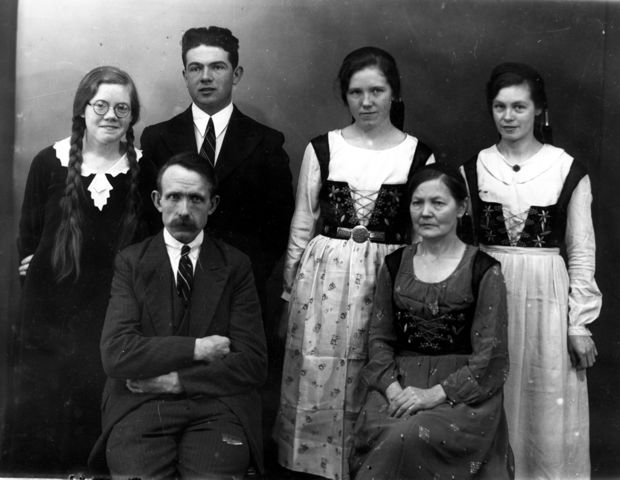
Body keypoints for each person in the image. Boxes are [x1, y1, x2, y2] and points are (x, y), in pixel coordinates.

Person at [275, 46, 434, 480]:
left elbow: (423, 232)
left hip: (387, 274)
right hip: (324, 276)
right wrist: (289, 290)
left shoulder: (417, 154)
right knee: (319, 366)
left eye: (376, 91)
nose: (366, 102)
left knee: (376, 366)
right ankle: (316, 467)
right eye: (356, 92)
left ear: (393, 93)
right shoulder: (323, 148)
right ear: (345, 96)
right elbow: (303, 221)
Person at [1, 66, 158, 474]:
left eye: (122, 108)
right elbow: (29, 237)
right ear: (82, 109)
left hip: (115, 310)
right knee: (47, 413)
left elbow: (153, 244)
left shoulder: (145, 168)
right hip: (52, 311)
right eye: (100, 105)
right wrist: (39, 264)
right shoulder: (49, 162)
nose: (110, 116)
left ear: (133, 115)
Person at [87, 152, 268, 478]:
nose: (184, 210)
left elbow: (253, 362)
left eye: (196, 199)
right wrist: (197, 349)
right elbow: (116, 353)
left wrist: (178, 382)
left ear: (212, 204)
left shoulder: (235, 265)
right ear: (157, 201)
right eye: (174, 197)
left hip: (217, 406)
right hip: (141, 404)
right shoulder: (131, 262)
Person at [461, 62, 602, 479]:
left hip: (547, 297)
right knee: (494, 392)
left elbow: (581, 251)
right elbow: (463, 249)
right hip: (490, 293)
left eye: (519, 107)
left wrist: (579, 324)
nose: (508, 117)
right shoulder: (474, 168)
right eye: (500, 107)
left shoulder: (566, 168)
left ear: (538, 110)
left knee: (545, 394)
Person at [349, 164, 514, 480]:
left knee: (409, 435)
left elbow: (490, 357)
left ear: (461, 208)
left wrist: (436, 394)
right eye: (417, 203)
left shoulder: (484, 270)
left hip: (459, 396)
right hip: (400, 385)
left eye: (438, 203)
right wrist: (393, 390)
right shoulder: (394, 264)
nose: (426, 212)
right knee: (391, 431)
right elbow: (379, 339)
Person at [140, 26, 294, 305]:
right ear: (185, 76)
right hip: (169, 284)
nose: (206, 77)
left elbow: (278, 225)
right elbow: (148, 217)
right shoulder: (156, 138)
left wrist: (242, 274)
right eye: (196, 68)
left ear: (236, 74)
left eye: (217, 67)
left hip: (240, 288)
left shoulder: (266, 142)